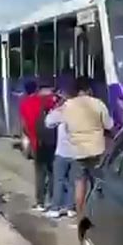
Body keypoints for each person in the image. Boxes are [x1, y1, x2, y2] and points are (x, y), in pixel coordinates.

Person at [62, 77, 114, 215]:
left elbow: (66, 128)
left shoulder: (68, 105)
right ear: (88, 89)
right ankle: (97, 213)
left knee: (80, 184)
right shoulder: (98, 103)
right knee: (98, 183)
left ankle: (80, 215)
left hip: (78, 150)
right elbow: (109, 125)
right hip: (97, 149)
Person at [19, 79, 57, 211]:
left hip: (36, 142)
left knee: (40, 173)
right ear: (36, 89)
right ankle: (53, 200)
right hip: (50, 141)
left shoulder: (24, 104)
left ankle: (40, 202)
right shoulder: (42, 100)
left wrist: (29, 135)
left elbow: (24, 125)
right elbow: (54, 102)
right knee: (52, 172)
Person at [43, 87, 77, 219]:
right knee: (72, 181)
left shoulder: (61, 110)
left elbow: (48, 122)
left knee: (59, 180)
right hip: (76, 152)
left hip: (62, 152)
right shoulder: (79, 111)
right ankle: (70, 208)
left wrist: (55, 109)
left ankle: (56, 208)